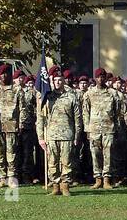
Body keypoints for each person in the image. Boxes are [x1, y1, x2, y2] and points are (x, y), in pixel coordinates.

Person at [37, 67, 84, 196]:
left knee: (67, 162)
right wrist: (40, 137)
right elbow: (40, 118)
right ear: (52, 81)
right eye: (55, 80)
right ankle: (55, 186)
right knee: (52, 162)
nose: (58, 82)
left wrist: (77, 135)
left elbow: (77, 119)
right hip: (51, 135)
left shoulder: (71, 97)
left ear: (64, 81)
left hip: (67, 135)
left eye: (60, 80)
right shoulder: (47, 97)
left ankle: (65, 186)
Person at [84, 68, 122, 188]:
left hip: (109, 129)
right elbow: (85, 112)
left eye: (103, 77)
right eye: (98, 77)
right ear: (95, 78)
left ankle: (106, 179)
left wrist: (116, 127)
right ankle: (98, 179)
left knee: (108, 154)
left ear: (105, 78)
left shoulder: (113, 93)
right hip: (94, 129)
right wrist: (87, 129)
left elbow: (117, 112)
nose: (101, 79)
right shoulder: (89, 94)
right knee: (95, 154)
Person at [0, 66, 21, 187]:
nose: (4, 76)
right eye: (1, 74)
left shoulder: (16, 89)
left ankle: (11, 177)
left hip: (11, 125)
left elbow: (21, 108)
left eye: (6, 74)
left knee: (11, 152)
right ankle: (2, 178)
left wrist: (20, 123)